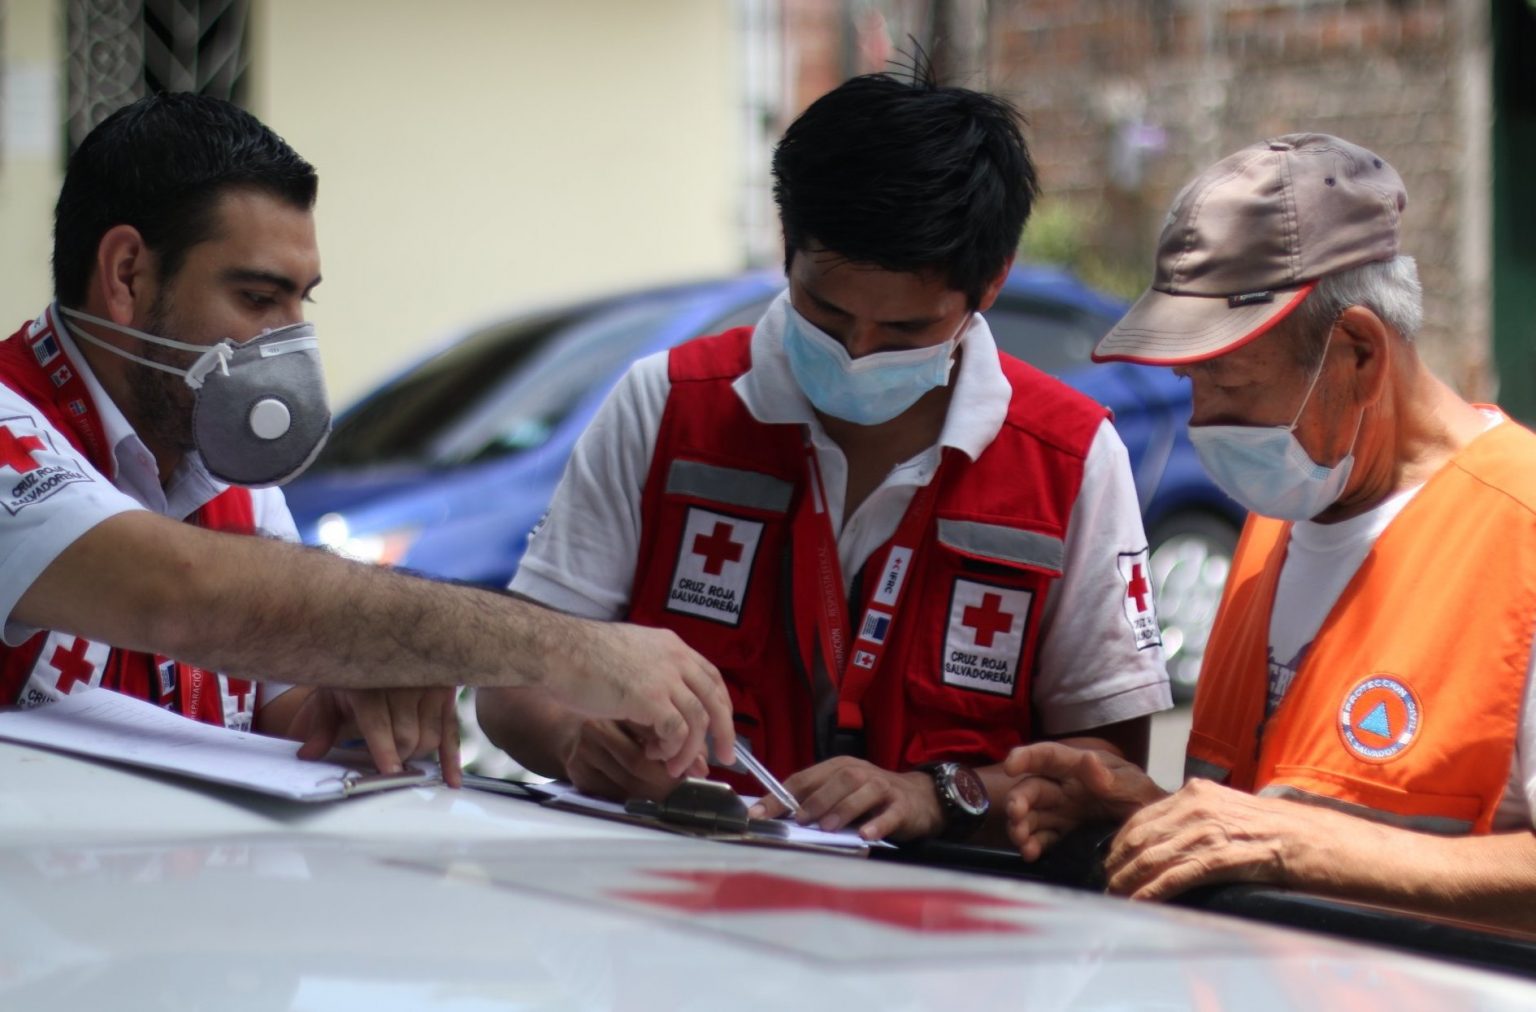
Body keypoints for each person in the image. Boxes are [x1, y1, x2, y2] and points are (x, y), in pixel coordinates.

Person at [477, 66, 1171, 842]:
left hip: (942, 908)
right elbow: (512, 683)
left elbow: (1107, 770)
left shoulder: (1070, 459)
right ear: (788, 248)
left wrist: (939, 795)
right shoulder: (667, 405)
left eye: (905, 330)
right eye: (825, 312)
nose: (857, 352)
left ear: (991, 285)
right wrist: (575, 740)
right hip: (674, 885)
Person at [2, 92, 735, 788]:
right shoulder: (12, 424)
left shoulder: (224, 468)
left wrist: (350, 711)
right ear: (127, 276)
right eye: (257, 298)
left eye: (301, 301)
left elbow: (275, 712)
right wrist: (568, 650)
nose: (290, 342)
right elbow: (184, 594)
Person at [1003, 133, 1536, 931]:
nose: (1203, 419)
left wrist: (1290, 844)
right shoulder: (1279, 518)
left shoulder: (1519, 529)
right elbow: (1269, 815)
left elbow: (1287, 838)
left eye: (1230, 382)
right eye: (1191, 382)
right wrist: (1153, 817)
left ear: (1359, 352)